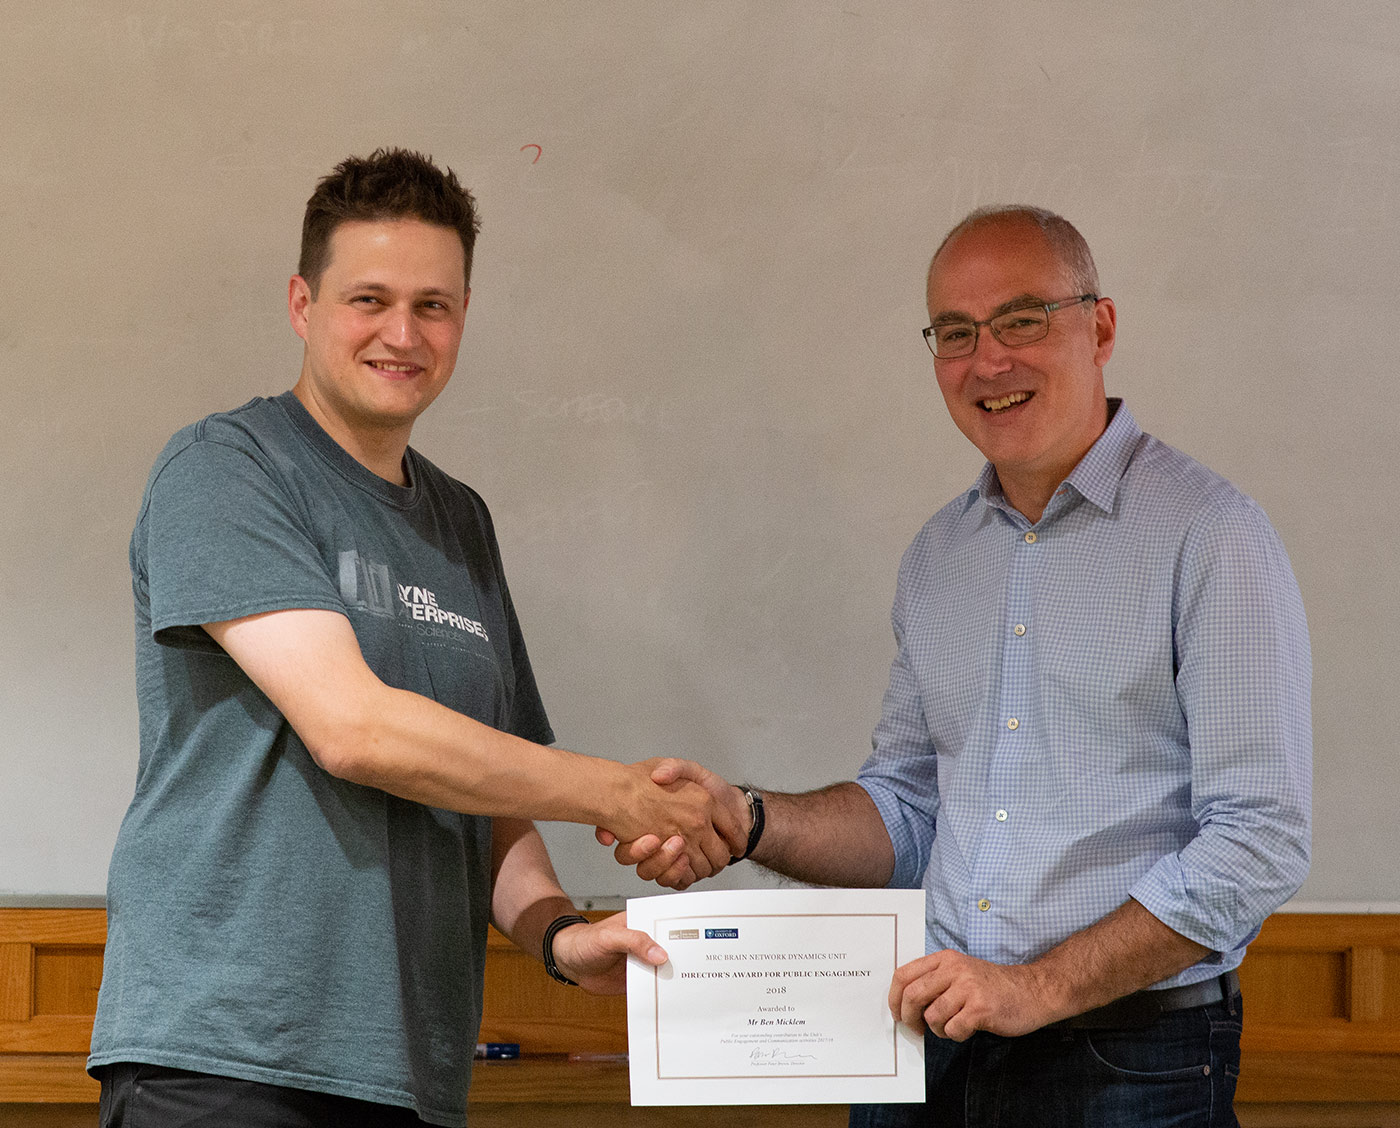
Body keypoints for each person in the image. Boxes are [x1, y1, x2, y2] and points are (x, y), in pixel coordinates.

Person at [609, 205, 1312, 1126]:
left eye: (1023, 320)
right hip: (924, 1045)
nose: (989, 360)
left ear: (1099, 327)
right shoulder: (940, 557)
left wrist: (1036, 988)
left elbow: (1258, 841)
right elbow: (905, 812)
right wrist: (746, 820)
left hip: (1128, 1060)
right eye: (955, 332)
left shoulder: (1211, 537)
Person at [87, 148, 743, 1127]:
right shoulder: (227, 469)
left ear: (464, 317)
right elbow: (356, 731)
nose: (402, 333)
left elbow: (488, 796)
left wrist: (563, 937)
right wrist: (616, 791)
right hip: (227, 1061)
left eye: (433, 305)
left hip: (411, 1075)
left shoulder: (459, 521)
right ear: (303, 305)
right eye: (369, 300)